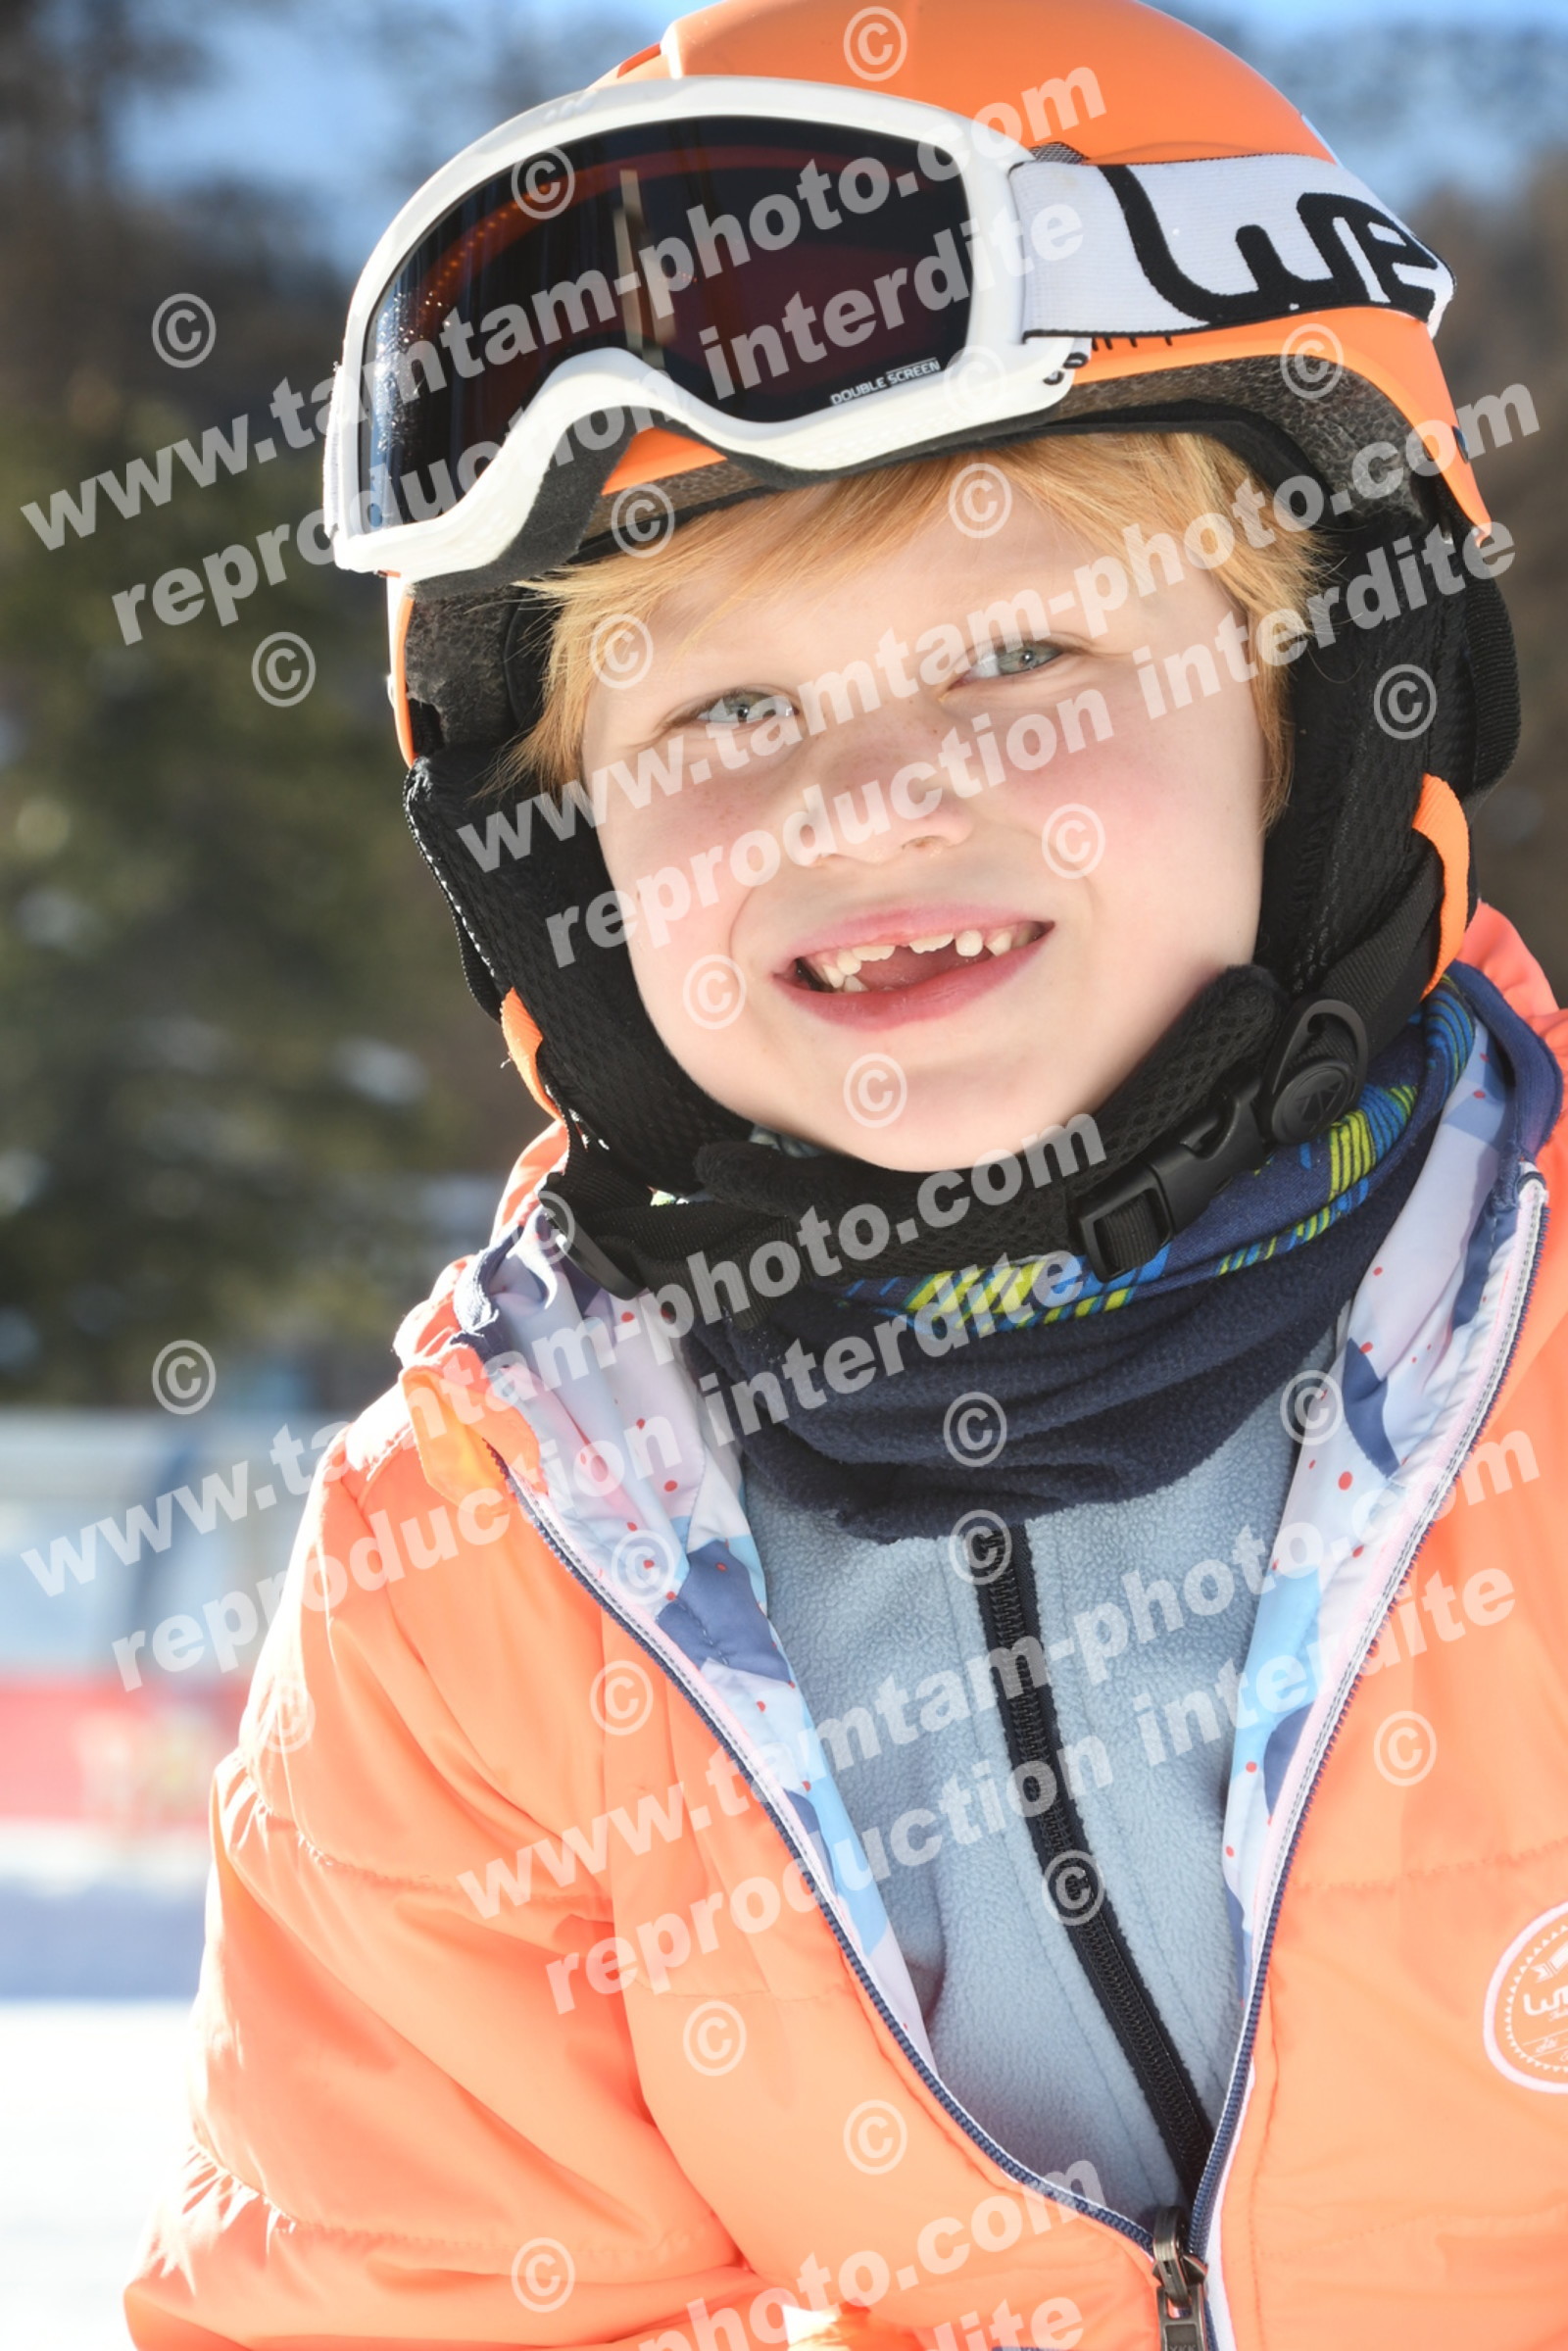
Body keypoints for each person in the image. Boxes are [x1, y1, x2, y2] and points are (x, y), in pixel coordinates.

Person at [125, 2, 1568, 2345]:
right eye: (726, 712)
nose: (865, 803)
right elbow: (413, 2297)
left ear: (1332, 709)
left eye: (1015, 661)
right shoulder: (486, 1570)